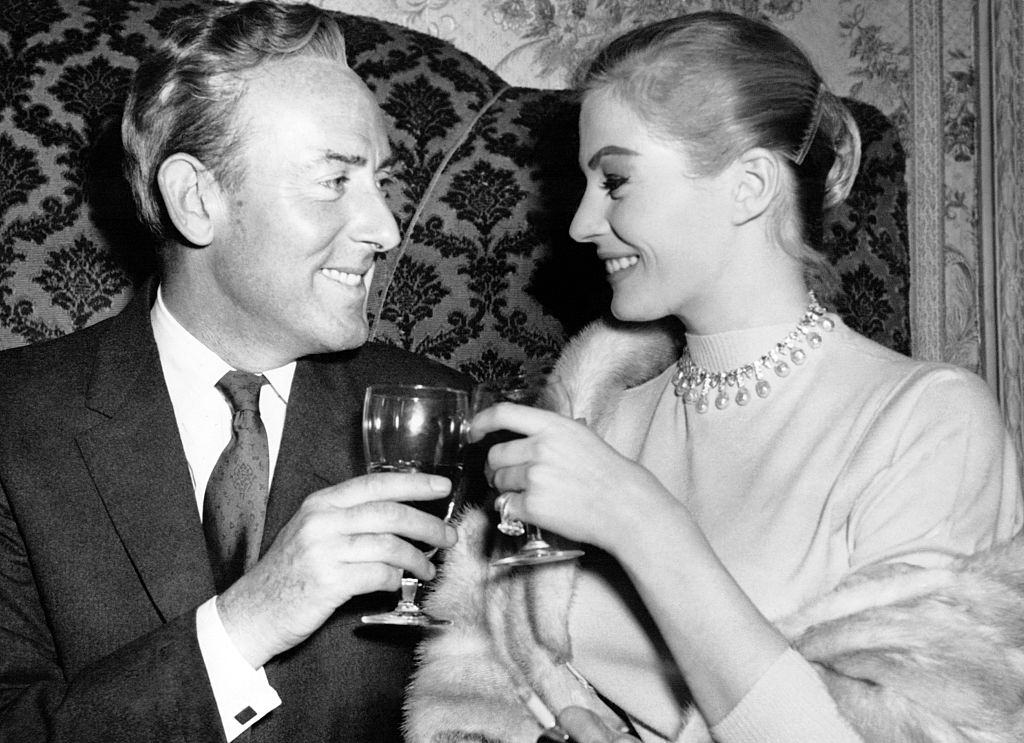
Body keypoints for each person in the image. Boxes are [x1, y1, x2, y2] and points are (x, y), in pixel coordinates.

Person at [405, 10, 1024, 743]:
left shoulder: (925, 421)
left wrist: (642, 522)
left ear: (749, 185)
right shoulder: (597, 413)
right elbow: (489, 684)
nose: (579, 223)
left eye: (615, 180)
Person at [0, 2, 470, 741]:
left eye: (382, 181)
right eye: (335, 181)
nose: (386, 229)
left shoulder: (448, 418)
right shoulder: (14, 420)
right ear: (196, 199)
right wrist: (245, 623)